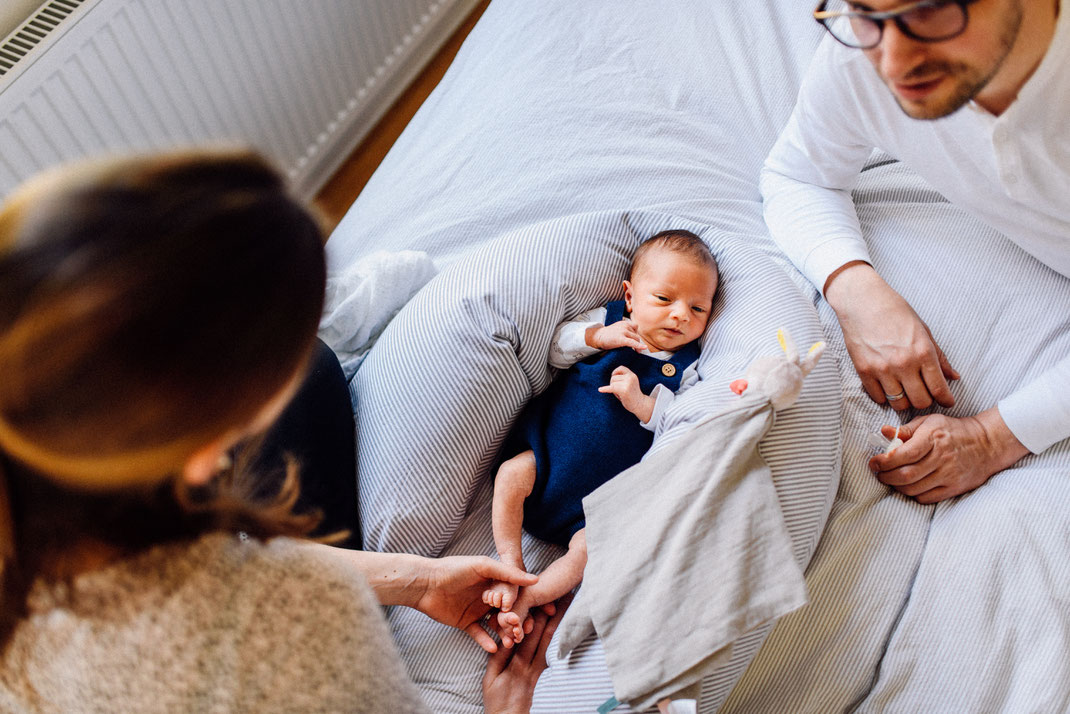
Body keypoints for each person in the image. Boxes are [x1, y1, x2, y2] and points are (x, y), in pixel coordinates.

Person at [0, 150, 549, 712]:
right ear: (203, 452)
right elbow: (252, 592)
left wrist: (419, 582)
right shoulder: (297, 618)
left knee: (313, 369)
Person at [761, 0, 1068, 503]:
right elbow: (797, 174)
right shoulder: (861, 53)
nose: (894, 64)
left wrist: (996, 436)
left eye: (929, 9)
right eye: (863, 11)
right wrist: (857, 290)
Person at [482, 230, 719, 646]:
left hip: (597, 506)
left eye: (697, 307)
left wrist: (643, 405)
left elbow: (681, 424)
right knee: (508, 476)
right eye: (664, 300)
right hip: (547, 459)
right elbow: (557, 348)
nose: (680, 315)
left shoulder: (689, 368)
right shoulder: (610, 321)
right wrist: (597, 338)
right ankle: (510, 563)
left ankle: (528, 597)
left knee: (588, 553)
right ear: (630, 297)